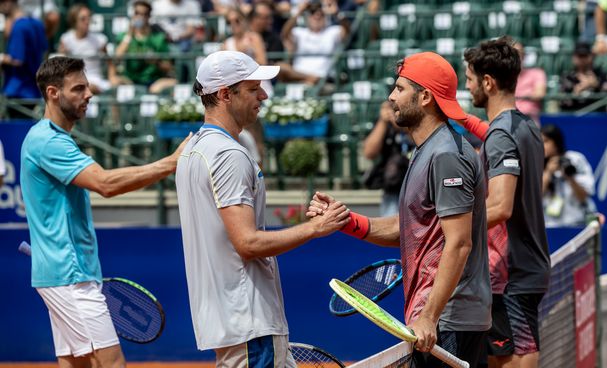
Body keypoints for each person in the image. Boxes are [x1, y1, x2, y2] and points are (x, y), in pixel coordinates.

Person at [309, 52, 491, 368]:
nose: (391, 97)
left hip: (448, 320)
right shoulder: (428, 150)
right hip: (435, 319)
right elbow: (411, 228)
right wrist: (345, 220)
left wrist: (430, 317)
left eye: (400, 88)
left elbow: (459, 243)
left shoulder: (447, 155)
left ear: (425, 97)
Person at [175, 50, 350, 367]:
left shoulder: (192, 151)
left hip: (233, 321)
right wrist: (315, 228)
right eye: (254, 88)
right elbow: (248, 243)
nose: (264, 95)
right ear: (226, 94)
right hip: (248, 323)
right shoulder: (228, 155)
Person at [20, 56, 189, 368]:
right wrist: (171, 162)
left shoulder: (51, 138)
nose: (89, 94)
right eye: (79, 88)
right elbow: (106, 183)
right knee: (112, 364)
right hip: (70, 276)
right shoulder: (48, 142)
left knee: (78, 364)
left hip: (65, 273)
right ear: (53, 93)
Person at [457, 36, 550, 368]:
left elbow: (501, 207)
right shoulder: (527, 125)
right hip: (527, 264)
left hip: (509, 270)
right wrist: (462, 117)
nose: (466, 87)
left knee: (515, 354)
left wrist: (450, 234)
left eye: (468, 79)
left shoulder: (500, 135)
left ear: (487, 82)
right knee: (517, 350)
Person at [362, 100, 414, 216]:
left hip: (417, 186)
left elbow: (419, 141)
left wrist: (402, 126)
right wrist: (383, 121)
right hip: (393, 187)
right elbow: (369, 153)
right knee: (389, 224)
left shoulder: (416, 120)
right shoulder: (385, 124)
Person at [113, 0, 177, 94]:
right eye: (137, 13)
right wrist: (130, 35)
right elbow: (116, 58)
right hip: (130, 80)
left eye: (144, 14)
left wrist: (156, 62)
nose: (140, 17)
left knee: (173, 84)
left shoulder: (158, 38)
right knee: (115, 83)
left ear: (149, 16)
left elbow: (169, 67)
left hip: (152, 81)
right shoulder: (124, 37)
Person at [280, 1, 347, 85]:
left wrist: (337, 13)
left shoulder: (333, 31)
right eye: (312, 12)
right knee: (280, 67)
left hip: (324, 78)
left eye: (321, 13)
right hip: (299, 76)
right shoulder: (299, 32)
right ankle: (310, 79)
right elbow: (284, 33)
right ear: (307, 17)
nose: (317, 15)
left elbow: (347, 33)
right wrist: (299, 12)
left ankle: (312, 80)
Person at [541, 124, 596, 227]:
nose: (542, 146)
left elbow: (584, 196)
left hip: (578, 223)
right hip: (550, 225)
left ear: (556, 142)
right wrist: (548, 172)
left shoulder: (575, 159)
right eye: (540, 142)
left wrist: (569, 177)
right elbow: (535, 198)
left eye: (546, 141)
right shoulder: (537, 163)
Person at [0, 0, 48, 117]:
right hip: (34, 91)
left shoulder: (19, 27)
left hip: (18, 91)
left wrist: (1, 58)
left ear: (8, 3)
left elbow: (17, 60)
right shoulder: (37, 23)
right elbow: (44, 51)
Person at [58, 4, 117, 93]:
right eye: (83, 19)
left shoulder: (100, 39)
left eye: (89, 18)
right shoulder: (66, 39)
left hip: (95, 80)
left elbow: (109, 62)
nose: (87, 21)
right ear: (74, 21)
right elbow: (60, 63)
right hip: (73, 79)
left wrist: (112, 77)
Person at [560, 41, 607, 112]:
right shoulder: (568, 76)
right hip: (573, 116)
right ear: (574, 57)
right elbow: (563, 101)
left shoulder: (600, 74)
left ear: (591, 56)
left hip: (598, 116)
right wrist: (577, 91)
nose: (582, 59)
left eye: (585, 55)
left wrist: (596, 85)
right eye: (580, 56)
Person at [513, 41, 546, 124]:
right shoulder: (502, 77)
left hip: (530, 118)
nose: (516, 57)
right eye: (513, 54)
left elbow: (539, 94)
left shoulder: (538, 73)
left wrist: (515, 97)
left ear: (524, 56)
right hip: (508, 118)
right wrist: (528, 95)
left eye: (519, 53)